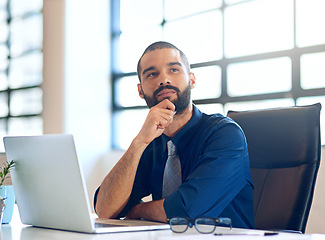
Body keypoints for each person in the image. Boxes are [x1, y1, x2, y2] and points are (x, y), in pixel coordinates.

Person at [94, 41, 255, 229]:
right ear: (140, 90)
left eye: (174, 70)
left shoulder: (225, 134)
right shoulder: (151, 143)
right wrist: (138, 143)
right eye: (152, 74)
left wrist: (137, 210)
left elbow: (186, 209)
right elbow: (105, 209)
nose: (164, 80)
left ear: (192, 79)